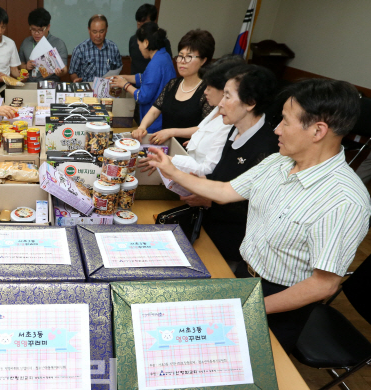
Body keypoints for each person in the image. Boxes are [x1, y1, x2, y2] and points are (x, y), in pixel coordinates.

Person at [146, 78, 370, 354]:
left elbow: (323, 285)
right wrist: (172, 171)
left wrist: (251, 307)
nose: (276, 129)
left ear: (318, 130)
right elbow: (226, 191)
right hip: (244, 276)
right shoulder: (279, 161)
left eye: (285, 122)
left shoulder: (344, 200)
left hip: (281, 302)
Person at [175, 65, 279, 266]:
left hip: (231, 245)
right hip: (205, 227)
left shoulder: (267, 148)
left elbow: (255, 208)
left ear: (250, 103)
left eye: (228, 97)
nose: (220, 104)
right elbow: (221, 177)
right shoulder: (233, 130)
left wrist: (209, 200)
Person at [132, 29, 215, 146]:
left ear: (203, 60)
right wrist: (142, 127)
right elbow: (154, 111)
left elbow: (206, 128)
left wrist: (171, 132)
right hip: (165, 147)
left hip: (188, 151)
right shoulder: (173, 84)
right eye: (180, 56)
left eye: (189, 57)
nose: (182, 61)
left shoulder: (207, 90)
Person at [170, 55, 246, 176]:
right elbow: (203, 131)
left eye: (209, 88)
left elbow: (208, 170)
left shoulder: (231, 122)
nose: (205, 91)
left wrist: (170, 161)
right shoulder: (217, 108)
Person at [108, 22, 175, 130]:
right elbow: (144, 78)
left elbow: (142, 96)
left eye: (139, 44)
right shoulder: (164, 56)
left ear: (146, 43)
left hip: (154, 122)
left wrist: (125, 85)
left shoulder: (155, 64)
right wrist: (122, 77)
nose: (139, 48)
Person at [18, 8, 68, 82]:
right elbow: (20, 65)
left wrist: (60, 72)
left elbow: (65, 69)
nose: (36, 33)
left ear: (48, 27)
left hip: (50, 84)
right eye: (33, 29)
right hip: (30, 84)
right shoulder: (26, 42)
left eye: (40, 30)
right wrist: (26, 66)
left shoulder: (58, 43)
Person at [69, 14, 122, 83]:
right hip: (87, 90)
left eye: (101, 32)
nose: (98, 35)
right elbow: (72, 72)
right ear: (89, 30)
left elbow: (118, 70)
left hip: (107, 89)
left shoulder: (113, 48)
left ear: (106, 30)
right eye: (94, 32)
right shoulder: (80, 49)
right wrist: (75, 79)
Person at [129, 4, 172, 76]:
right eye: (138, 22)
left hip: (152, 83)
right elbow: (132, 60)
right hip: (134, 84)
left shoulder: (162, 42)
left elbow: (165, 67)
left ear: (154, 21)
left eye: (144, 23)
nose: (140, 26)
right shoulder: (133, 40)